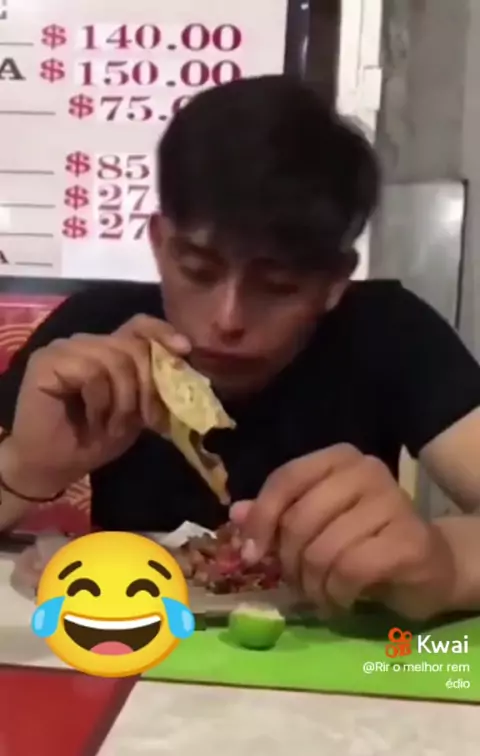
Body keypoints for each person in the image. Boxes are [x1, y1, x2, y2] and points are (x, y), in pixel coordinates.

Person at [1, 75, 480, 620]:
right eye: (197, 270)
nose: (228, 320)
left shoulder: (388, 330)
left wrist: (447, 565)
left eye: (277, 286)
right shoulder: (96, 335)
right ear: (159, 243)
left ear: (335, 281)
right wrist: (25, 467)